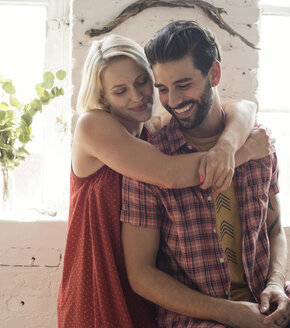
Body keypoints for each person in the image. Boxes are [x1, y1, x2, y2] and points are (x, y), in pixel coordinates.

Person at [121, 20, 290, 328]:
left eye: (183, 85)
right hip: (198, 316)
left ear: (214, 74)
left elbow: (275, 230)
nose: (173, 101)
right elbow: (141, 275)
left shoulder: (258, 144)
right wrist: (228, 311)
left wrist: (276, 283)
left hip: (266, 299)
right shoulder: (150, 161)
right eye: (163, 89)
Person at [57, 34, 274, 328]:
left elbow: (245, 107)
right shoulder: (92, 125)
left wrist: (226, 145)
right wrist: (243, 151)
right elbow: (169, 174)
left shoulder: (147, 129)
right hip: (98, 272)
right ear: (103, 96)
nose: (137, 96)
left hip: (141, 274)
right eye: (120, 91)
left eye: (142, 81)